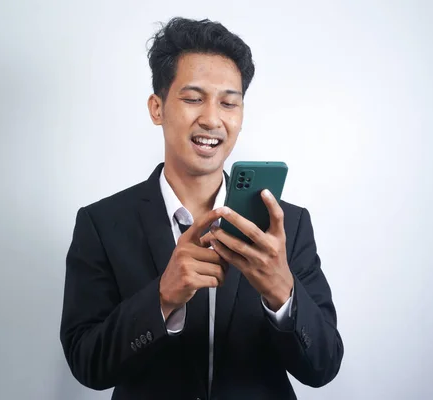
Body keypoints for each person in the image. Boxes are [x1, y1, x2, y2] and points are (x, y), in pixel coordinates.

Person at [60, 17, 344, 400]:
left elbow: (323, 367)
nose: (212, 118)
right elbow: (87, 364)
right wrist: (161, 298)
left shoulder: (287, 226)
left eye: (229, 102)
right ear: (157, 108)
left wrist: (283, 293)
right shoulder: (101, 223)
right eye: (193, 98)